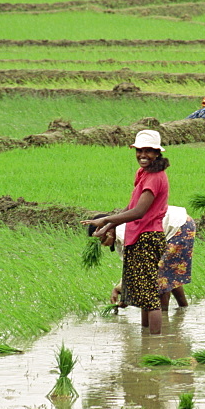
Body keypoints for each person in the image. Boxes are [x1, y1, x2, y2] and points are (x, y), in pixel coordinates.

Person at [83, 129, 169, 334]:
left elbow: (139, 212)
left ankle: (154, 346)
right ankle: (145, 339)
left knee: (149, 297)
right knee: (142, 296)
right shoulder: (143, 174)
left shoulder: (155, 178)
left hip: (148, 237)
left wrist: (106, 218)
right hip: (136, 236)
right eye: (139, 150)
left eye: (148, 151)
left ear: (157, 153)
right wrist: (109, 225)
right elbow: (131, 207)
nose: (142, 155)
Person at [101, 205, 195, 311]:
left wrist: (127, 295)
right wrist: (120, 290)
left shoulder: (124, 235)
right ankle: (183, 309)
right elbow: (131, 268)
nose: (102, 245)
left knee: (162, 277)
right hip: (177, 224)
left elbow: (140, 266)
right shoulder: (118, 239)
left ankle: (163, 318)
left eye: (101, 239)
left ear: (107, 232)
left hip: (179, 226)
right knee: (168, 272)